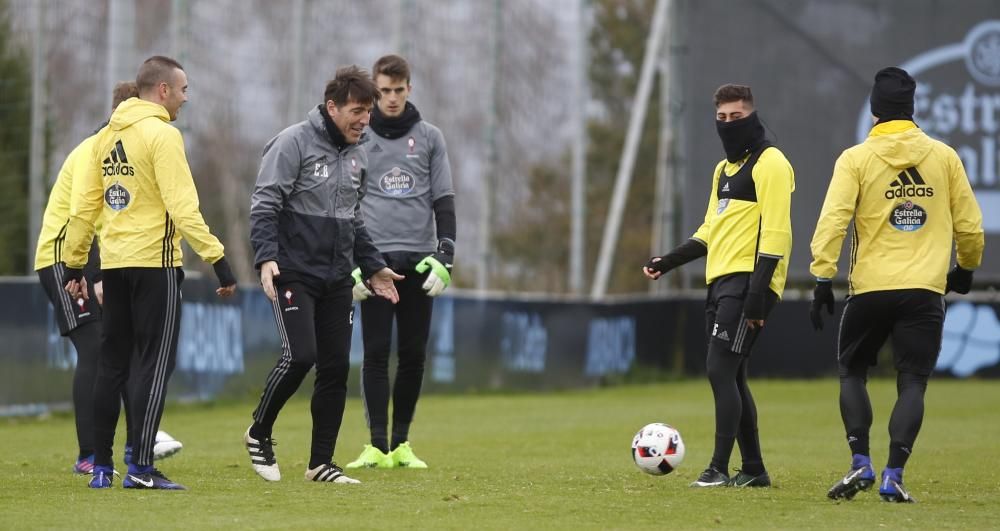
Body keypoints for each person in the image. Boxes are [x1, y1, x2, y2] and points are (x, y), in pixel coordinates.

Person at [62, 56, 237, 490]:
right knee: (155, 364)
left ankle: (101, 467)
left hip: (116, 264)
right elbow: (183, 207)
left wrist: (75, 263)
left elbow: (85, 207)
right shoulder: (163, 135)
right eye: (182, 89)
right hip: (155, 265)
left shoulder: (104, 137)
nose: (185, 97)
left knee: (113, 365)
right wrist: (219, 260)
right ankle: (140, 468)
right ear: (162, 90)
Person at [812, 67, 983, 503]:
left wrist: (821, 276)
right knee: (913, 384)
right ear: (911, 109)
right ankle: (894, 474)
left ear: (874, 111)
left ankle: (859, 464)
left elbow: (833, 221)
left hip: (870, 287)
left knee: (852, 372)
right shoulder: (944, 157)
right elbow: (970, 227)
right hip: (924, 289)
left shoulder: (856, 159)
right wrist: (965, 268)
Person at [245, 65, 402, 485]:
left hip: (337, 278)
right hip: (292, 270)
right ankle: (258, 432)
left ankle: (320, 464)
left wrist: (374, 267)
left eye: (368, 111)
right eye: (356, 110)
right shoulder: (293, 141)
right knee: (301, 356)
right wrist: (265, 257)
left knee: (334, 369)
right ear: (332, 107)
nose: (364, 119)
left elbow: (354, 220)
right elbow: (264, 204)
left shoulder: (359, 153)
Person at [643, 84, 794, 488]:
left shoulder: (772, 163)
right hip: (721, 280)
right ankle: (755, 470)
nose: (728, 125)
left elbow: (777, 234)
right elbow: (710, 230)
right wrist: (668, 261)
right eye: (722, 118)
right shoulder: (722, 171)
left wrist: (759, 295)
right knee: (734, 375)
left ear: (752, 114)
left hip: (749, 283)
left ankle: (717, 469)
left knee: (718, 369)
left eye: (736, 117)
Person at [35, 81, 184, 476]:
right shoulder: (98, 147)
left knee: (124, 354)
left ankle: (137, 447)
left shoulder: (125, 147)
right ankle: (89, 456)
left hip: (106, 259)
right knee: (99, 353)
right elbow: (90, 214)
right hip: (65, 258)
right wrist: (93, 273)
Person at [344, 54, 455, 470]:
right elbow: (345, 200)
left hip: (419, 262)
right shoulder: (357, 137)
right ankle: (375, 446)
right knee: (375, 353)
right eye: (384, 91)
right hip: (373, 262)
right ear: (374, 91)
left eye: (398, 90)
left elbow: (444, 199)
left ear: (410, 89)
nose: (391, 98)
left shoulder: (429, 138)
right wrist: (352, 260)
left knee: (412, 355)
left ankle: (401, 444)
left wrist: (446, 253)